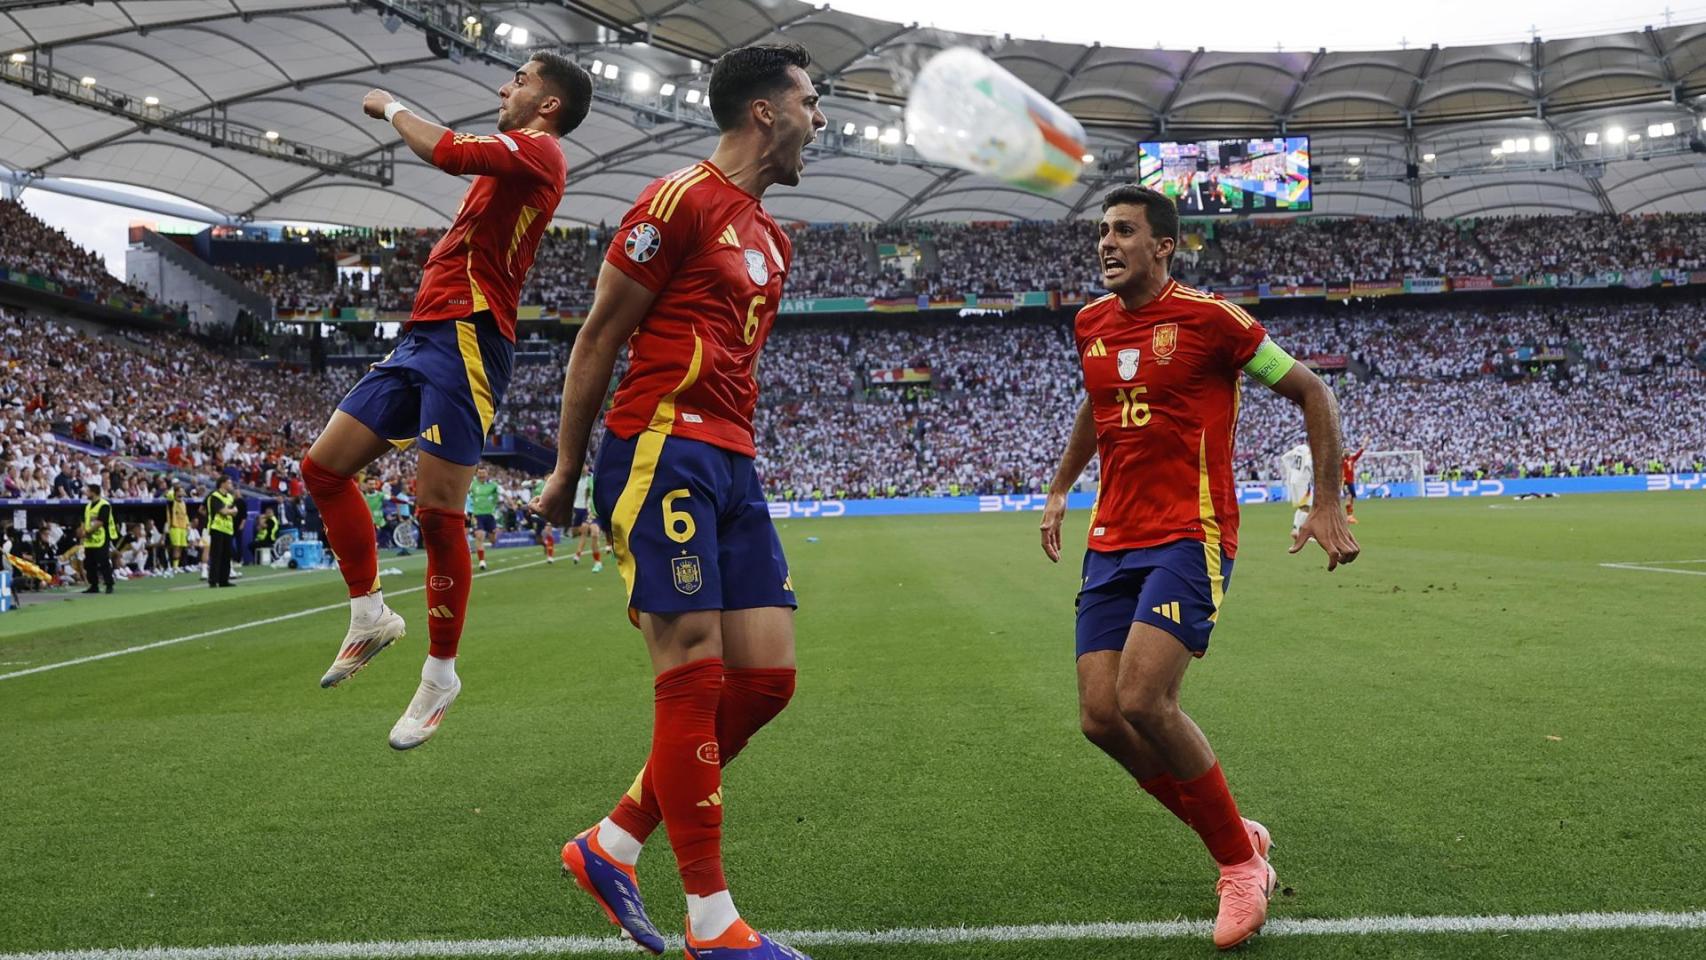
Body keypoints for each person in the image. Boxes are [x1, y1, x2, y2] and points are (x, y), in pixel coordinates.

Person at [532, 41, 825, 960]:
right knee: (693, 668)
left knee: (766, 678)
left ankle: (613, 843)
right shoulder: (678, 201)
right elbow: (597, 337)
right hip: (662, 444)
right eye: (810, 102)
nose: (820, 119)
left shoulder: (773, 238)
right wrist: (567, 470)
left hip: (734, 458)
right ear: (765, 111)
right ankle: (712, 921)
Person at [1038, 185, 1361, 951]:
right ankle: (1235, 833)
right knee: (1101, 718)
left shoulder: (1216, 321)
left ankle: (1240, 867)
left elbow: (1312, 390)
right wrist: (1058, 488)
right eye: (1102, 231)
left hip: (1192, 533)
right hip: (1111, 539)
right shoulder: (1090, 323)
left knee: (1145, 698)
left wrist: (1326, 501)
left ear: (1163, 246)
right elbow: (1097, 403)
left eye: (1124, 231)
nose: (1106, 243)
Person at [300, 51, 592, 750]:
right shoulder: (515, 158)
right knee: (323, 468)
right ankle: (369, 614)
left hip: (470, 336)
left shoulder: (541, 151)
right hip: (424, 334)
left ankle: (440, 675)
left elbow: (449, 151)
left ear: (548, 103)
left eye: (520, 79)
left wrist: (390, 105)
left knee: (437, 512)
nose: (504, 86)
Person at [81, 481, 117, 594]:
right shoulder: (88, 506)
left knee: (103, 561)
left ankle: (109, 584)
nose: (86, 493)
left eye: (88, 491)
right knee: (89, 563)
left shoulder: (104, 505)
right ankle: (94, 585)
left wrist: (88, 531)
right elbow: (85, 520)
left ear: (94, 492)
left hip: (101, 537)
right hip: (90, 539)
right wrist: (83, 531)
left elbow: (101, 522)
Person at [205, 475, 239, 588]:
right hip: (217, 528)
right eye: (229, 482)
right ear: (222, 483)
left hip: (228, 529)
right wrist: (230, 511)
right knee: (216, 555)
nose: (231, 485)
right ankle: (213, 580)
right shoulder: (215, 496)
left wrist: (229, 511)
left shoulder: (230, 497)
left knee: (226, 556)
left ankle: (224, 580)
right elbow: (222, 511)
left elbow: (235, 511)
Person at [569, 462, 603, 572]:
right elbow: (586, 495)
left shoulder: (594, 479)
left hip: (598, 512)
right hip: (587, 511)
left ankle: (597, 562)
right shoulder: (581, 480)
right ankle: (582, 553)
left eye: (585, 466)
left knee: (594, 533)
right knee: (577, 532)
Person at [468, 465, 501, 570]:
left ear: (487, 474)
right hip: (477, 514)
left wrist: (512, 503)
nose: (481, 475)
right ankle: (482, 561)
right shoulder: (472, 484)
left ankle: (494, 534)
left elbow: (503, 494)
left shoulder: (493, 485)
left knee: (493, 540)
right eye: (479, 473)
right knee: (479, 536)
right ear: (476, 474)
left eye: (483, 473)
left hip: (490, 515)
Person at [166, 482, 189, 574]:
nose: (183, 493)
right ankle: (174, 567)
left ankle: (177, 565)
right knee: (176, 547)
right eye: (181, 491)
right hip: (174, 526)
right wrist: (175, 488)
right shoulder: (172, 502)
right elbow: (169, 494)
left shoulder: (183, 503)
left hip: (183, 527)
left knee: (181, 547)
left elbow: (185, 515)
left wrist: (187, 525)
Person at [1342, 443, 1366, 523]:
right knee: (1348, 497)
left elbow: (1360, 452)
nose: (1347, 452)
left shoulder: (1352, 459)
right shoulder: (1341, 460)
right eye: (1345, 451)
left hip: (1351, 482)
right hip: (1344, 482)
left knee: (1351, 499)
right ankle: (1348, 516)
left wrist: (1365, 443)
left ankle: (1350, 517)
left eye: (1348, 451)